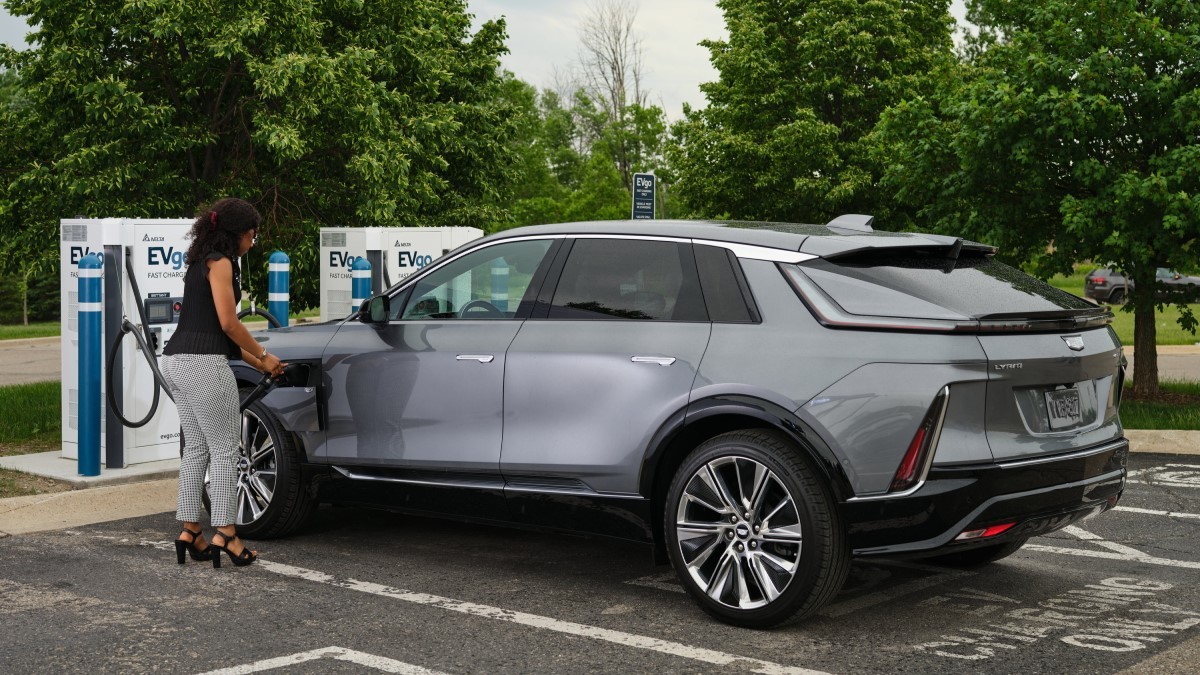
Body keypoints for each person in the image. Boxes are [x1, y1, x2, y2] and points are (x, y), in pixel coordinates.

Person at [160, 197, 283, 569]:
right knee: (227, 451)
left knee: (196, 449)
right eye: (252, 235)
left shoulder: (199, 262)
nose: (252, 243)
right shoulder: (223, 263)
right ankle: (227, 533)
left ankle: (190, 531)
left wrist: (263, 363)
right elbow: (230, 324)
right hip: (204, 367)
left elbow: (219, 334)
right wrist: (264, 353)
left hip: (176, 362)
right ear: (237, 234)